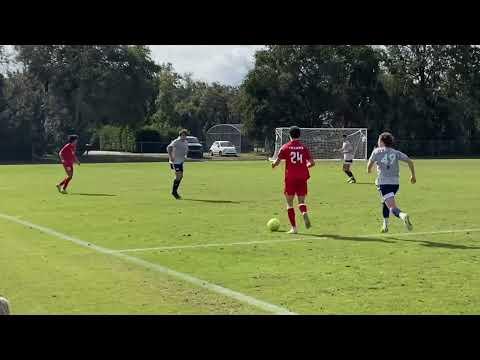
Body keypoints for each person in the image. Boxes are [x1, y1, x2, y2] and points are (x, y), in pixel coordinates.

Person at [367, 132, 416, 233]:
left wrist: (370, 169)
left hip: (384, 184)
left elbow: (368, 167)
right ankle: (385, 225)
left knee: (392, 207)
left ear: (381, 141)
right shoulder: (396, 152)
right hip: (395, 184)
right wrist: (413, 176)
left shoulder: (376, 151)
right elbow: (410, 161)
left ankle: (403, 215)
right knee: (384, 202)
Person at [271, 126, 315, 234]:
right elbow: (312, 163)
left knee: (289, 203)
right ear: (299, 135)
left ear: (289, 135)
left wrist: (272, 164)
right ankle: (304, 212)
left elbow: (277, 162)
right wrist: (306, 166)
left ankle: (294, 228)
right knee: (301, 201)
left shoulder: (285, 147)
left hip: (290, 178)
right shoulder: (304, 148)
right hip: (302, 177)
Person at [167, 129, 189, 199]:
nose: (184, 137)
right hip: (175, 161)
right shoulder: (176, 141)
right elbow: (169, 148)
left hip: (180, 161)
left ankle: (174, 191)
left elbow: (186, 150)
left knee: (181, 176)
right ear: (180, 135)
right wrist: (171, 157)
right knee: (178, 175)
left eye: (185, 135)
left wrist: (185, 155)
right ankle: (174, 192)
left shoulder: (185, 142)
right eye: (182, 135)